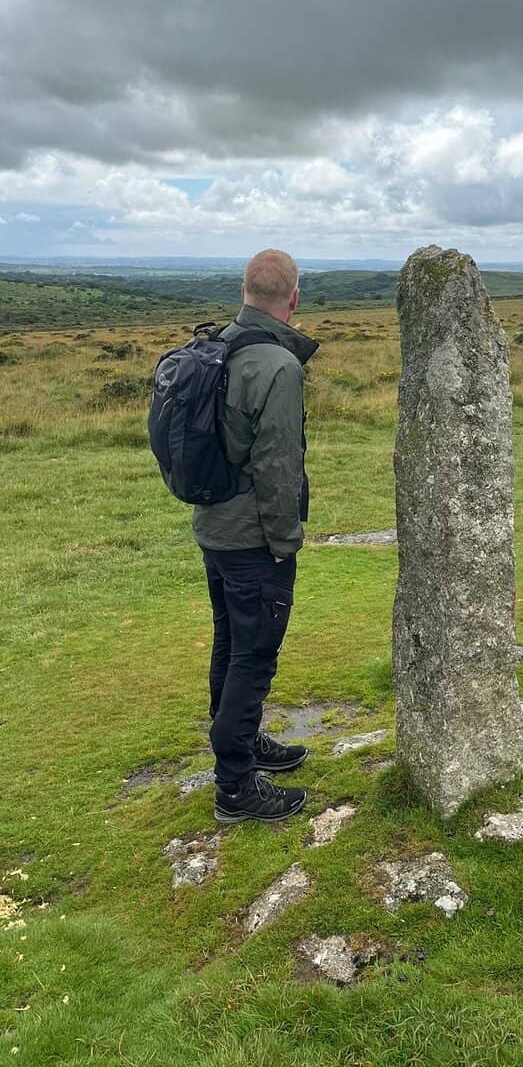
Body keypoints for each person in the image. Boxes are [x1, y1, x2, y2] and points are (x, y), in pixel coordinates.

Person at [193, 248, 318, 823]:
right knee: (254, 658)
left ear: (244, 291)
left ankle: (244, 749)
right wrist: (284, 541)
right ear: (293, 298)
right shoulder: (278, 365)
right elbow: (276, 466)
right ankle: (236, 787)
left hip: (215, 531)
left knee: (231, 646)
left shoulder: (214, 347)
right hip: (252, 542)